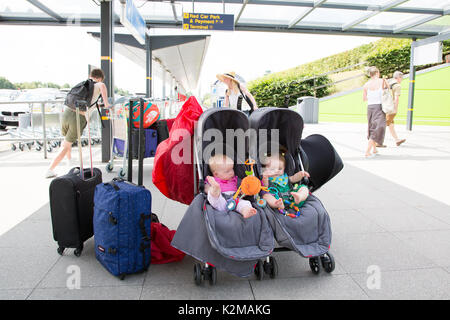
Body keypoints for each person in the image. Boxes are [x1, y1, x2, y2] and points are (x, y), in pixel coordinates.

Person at [45, 68, 110, 178]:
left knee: (66, 141)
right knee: (66, 145)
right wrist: (109, 106)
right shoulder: (100, 85)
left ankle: (69, 162)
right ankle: (50, 169)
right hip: (78, 117)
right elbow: (106, 104)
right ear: (99, 78)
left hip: (66, 112)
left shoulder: (83, 85)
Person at [205, 154, 257, 219]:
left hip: (235, 199)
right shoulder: (213, 180)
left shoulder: (235, 179)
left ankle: (246, 211)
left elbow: (242, 187)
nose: (231, 172)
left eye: (232, 169)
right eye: (227, 171)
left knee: (244, 203)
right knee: (213, 198)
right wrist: (209, 190)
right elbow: (205, 188)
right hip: (220, 198)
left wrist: (243, 191)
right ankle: (215, 189)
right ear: (216, 174)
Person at [362, 66, 387, 158]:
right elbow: (388, 92)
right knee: (377, 129)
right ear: (377, 73)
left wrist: (372, 95)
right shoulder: (382, 81)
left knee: (371, 127)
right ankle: (367, 152)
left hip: (370, 107)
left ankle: (374, 149)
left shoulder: (366, 85)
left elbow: (364, 99)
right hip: (379, 107)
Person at [385, 71, 406, 147]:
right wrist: (395, 109)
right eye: (401, 78)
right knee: (384, 124)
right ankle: (375, 140)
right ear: (399, 78)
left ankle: (397, 140)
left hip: (385, 105)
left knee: (391, 124)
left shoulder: (388, 82)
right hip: (391, 108)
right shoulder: (397, 86)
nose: (402, 80)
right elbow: (396, 98)